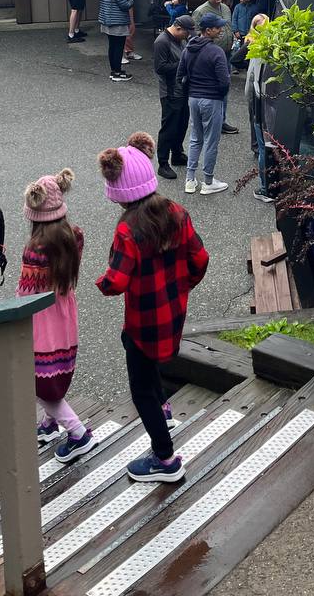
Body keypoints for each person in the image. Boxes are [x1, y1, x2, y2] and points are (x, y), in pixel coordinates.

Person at [95, 135, 209, 483]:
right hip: (173, 313)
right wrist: (183, 285)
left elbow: (116, 281)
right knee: (147, 363)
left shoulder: (128, 229)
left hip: (144, 322)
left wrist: (100, 282)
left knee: (140, 387)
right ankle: (166, 409)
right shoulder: (176, 211)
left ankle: (165, 459)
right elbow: (200, 257)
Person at [17, 169, 96, 462]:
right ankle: (50, 424)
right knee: (54, 375)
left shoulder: (35, 249)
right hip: (64, 313)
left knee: (38, 382)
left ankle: (78, 433)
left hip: (41, 321)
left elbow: (26, 293)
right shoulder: (74, 235)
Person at [176, 11, 230, 195]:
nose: (221, 30)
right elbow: (224, 82)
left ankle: (190, 180)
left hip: (193, 99)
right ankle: (208, 181)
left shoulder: (188, 48)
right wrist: (219, 95)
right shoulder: (216, 52)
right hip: (211, 99)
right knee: (211, 141)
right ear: (208, 30)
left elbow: (180, 75)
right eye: (218, 28)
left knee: (195, 138)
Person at [230, 14, 272, 198]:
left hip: (256, 94)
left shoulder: (264, 47)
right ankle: (255, 147)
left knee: (257, 126)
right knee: (254, 123)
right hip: (254, 94)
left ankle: (257, 147)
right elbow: (235, 59)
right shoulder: (253, 44)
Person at [192, 0, 238, 134]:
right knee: (212, 89)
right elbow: (195, 36)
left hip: (226, 54)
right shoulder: (200, 11)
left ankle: (221, 120)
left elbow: (229, 27)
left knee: (225, 87)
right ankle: (209, 121)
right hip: (210, 57)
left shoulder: (226, 8)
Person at [152, 14, 195, 179]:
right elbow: (160, 67)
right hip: (170, 92)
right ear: (178, 28)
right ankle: (163, 163)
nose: (188, 36)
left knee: (182, 123)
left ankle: (177, 153)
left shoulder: (180, 39)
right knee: (168, 127)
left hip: (183, 89)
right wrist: (183, 65)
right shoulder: (162, 42)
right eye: (186, 33)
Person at [98, 0, 135, 81]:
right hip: (118, 22)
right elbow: (124, 6)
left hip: (106, 21)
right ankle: (117, 73)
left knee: (112, 46)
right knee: (119, 48)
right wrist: (131, 0)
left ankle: (114, 70)